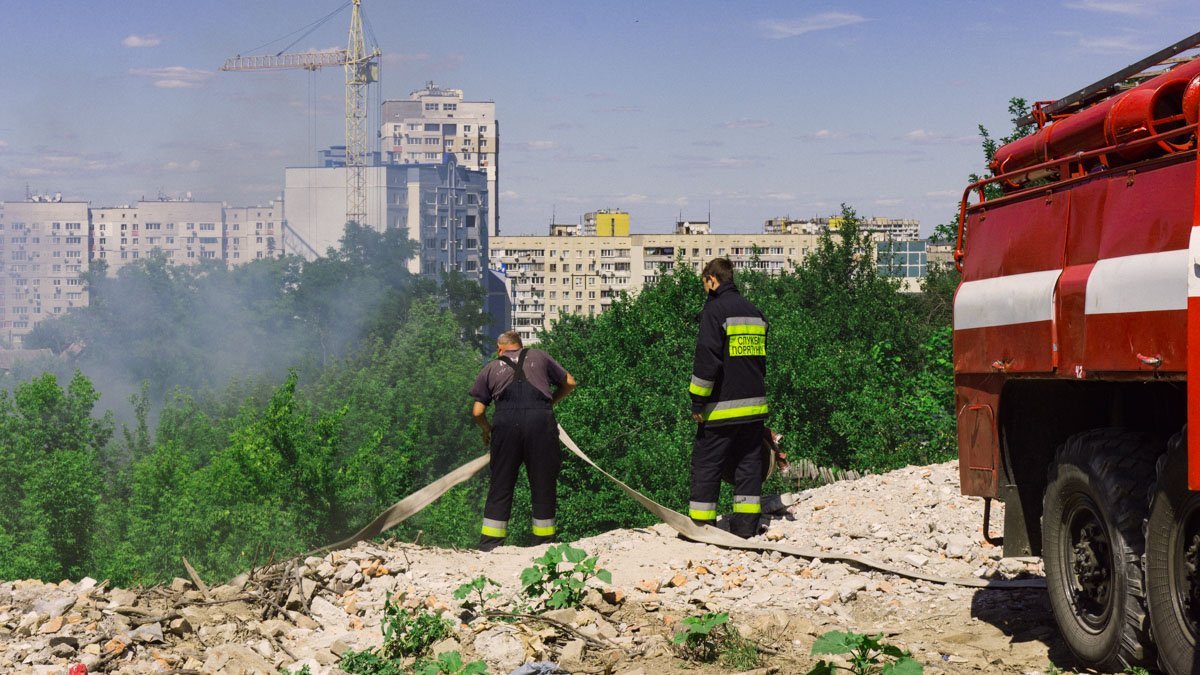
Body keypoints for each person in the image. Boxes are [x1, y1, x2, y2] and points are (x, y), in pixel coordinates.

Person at [470, 330, 577, 551]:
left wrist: (487, 430)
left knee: (501, 484)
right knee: (543, 482)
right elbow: (570, 383)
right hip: (541, 424)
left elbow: (478, 411)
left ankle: (490, 545)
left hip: (505, 426)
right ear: (520, 345)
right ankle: (544, 544)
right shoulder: (540, 356)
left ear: (500, 349)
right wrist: (549, 404)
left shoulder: (491, 368)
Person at [687, 258, 769, 538]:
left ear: (712, 279)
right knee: (748, 464)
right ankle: (746, 528)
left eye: (704, 283)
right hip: (755, 407)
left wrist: (697, 401)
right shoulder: (754, 312)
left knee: (707, 464)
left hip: (721, 408)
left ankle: (702, 527)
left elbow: (708, 360)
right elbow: (760, 361)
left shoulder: (714, 310)